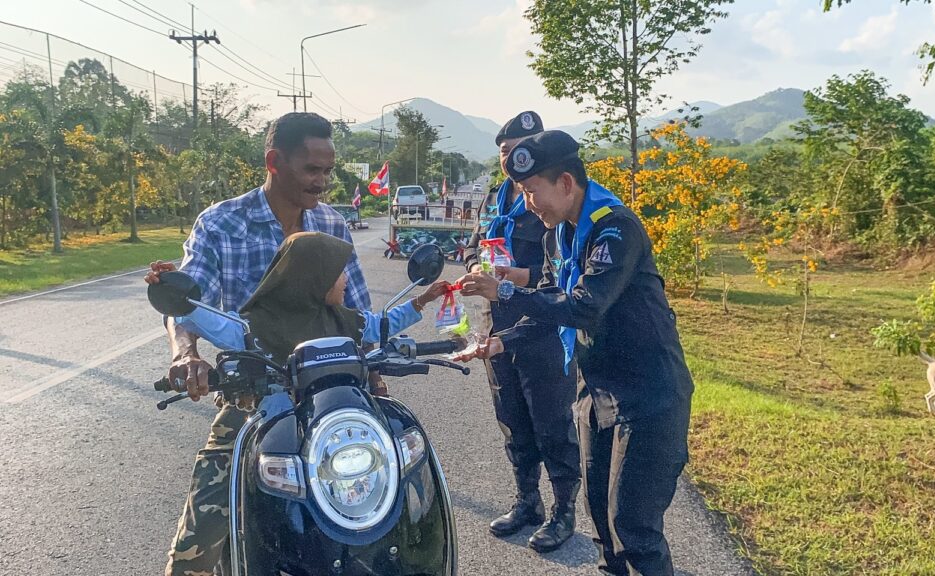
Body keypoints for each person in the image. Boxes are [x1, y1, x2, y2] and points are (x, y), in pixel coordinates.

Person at [145, 112, 375, 576]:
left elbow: (359, 314)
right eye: (312, 170)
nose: (322, 182)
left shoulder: (332, 224)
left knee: (383, 507)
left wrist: (378, 371)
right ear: (274, 161)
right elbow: (186, 305)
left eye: (328, 171)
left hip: (331, 396)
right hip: (253, 397)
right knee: (199, 540)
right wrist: (186, 355)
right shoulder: (221, 223)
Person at [456, 130, 694, 576]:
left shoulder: (614, 228)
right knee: (601, 517)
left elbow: (583, 306)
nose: (528, 204)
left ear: (565, 183)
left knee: (634, 530)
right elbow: (551, 302)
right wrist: (501, 341)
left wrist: (503, 290)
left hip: (648, 396)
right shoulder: (559, 235)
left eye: (532, 191)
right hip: (597, 392)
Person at [462, 111, 581, 552]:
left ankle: (563, 511)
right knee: (511, 416)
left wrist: (512, 279)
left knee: (551, 422)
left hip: (544, 326)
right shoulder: (496, 198)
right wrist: (477, 265)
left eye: (518, 150)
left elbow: (558, 274)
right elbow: (475, 242)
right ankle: (527, 501)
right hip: (497, 323)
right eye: (504, 152)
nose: (510, 159)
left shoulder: (552, 203)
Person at [178, 231, 450, 362]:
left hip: (338, 410)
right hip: (272, 416)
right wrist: (173, 289)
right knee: (218, 454)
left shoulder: (343, 318)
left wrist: (422, 300)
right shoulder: (254, 327)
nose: (346, 280)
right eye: (338, 272)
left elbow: (380, 325)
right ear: (314, 278)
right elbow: (211, 322)